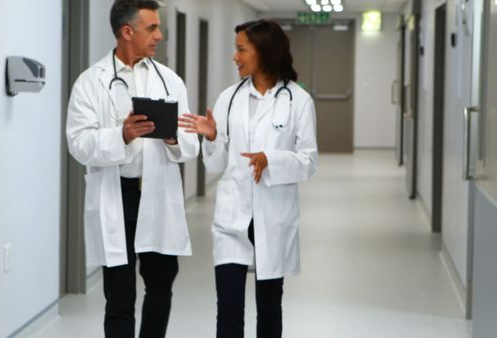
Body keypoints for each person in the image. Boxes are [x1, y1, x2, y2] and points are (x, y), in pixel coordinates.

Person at [65, 1, 199, 337]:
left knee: (160, 286)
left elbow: (191, 145)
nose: (160, 35)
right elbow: (78, 144)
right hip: (117, 197)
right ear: (127, 31)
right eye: (152, 28)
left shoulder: (170, 82)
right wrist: (121, 135)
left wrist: (172, 138)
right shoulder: (90, 82)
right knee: (119, 295)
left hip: (156, 194)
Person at [178, 19, 318, 338]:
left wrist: (272, 160)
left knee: (269, 309)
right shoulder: (229, 98)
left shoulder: (298, 101)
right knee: (228, 310)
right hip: (232, 219)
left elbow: (309, 161)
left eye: (241, 49)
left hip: (272, 217)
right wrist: (212, 137)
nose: (235, 56)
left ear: (264, 52)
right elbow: (215, 166)